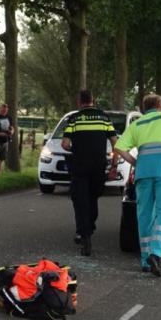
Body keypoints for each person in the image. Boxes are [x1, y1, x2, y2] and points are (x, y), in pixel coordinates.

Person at [114, 94, 161, 276]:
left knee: (144, 215)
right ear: (160, 106)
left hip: (143, 172)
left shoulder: (137, 124)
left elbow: (119, 148)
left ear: (143, 107)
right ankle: (156, 253)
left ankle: (145, 260)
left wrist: (135, 162)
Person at [60, 90, 117, 256]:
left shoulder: (74, 119)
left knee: (79, 199)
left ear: (79, 102)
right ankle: (89, 228)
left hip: (79, 165)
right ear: (94, 100)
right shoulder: (104, 118)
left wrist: (76, 149)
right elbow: (115, 143)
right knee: (93, 198)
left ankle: (83, 234)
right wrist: (114, 165)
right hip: (98, 166)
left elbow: (64, 144)